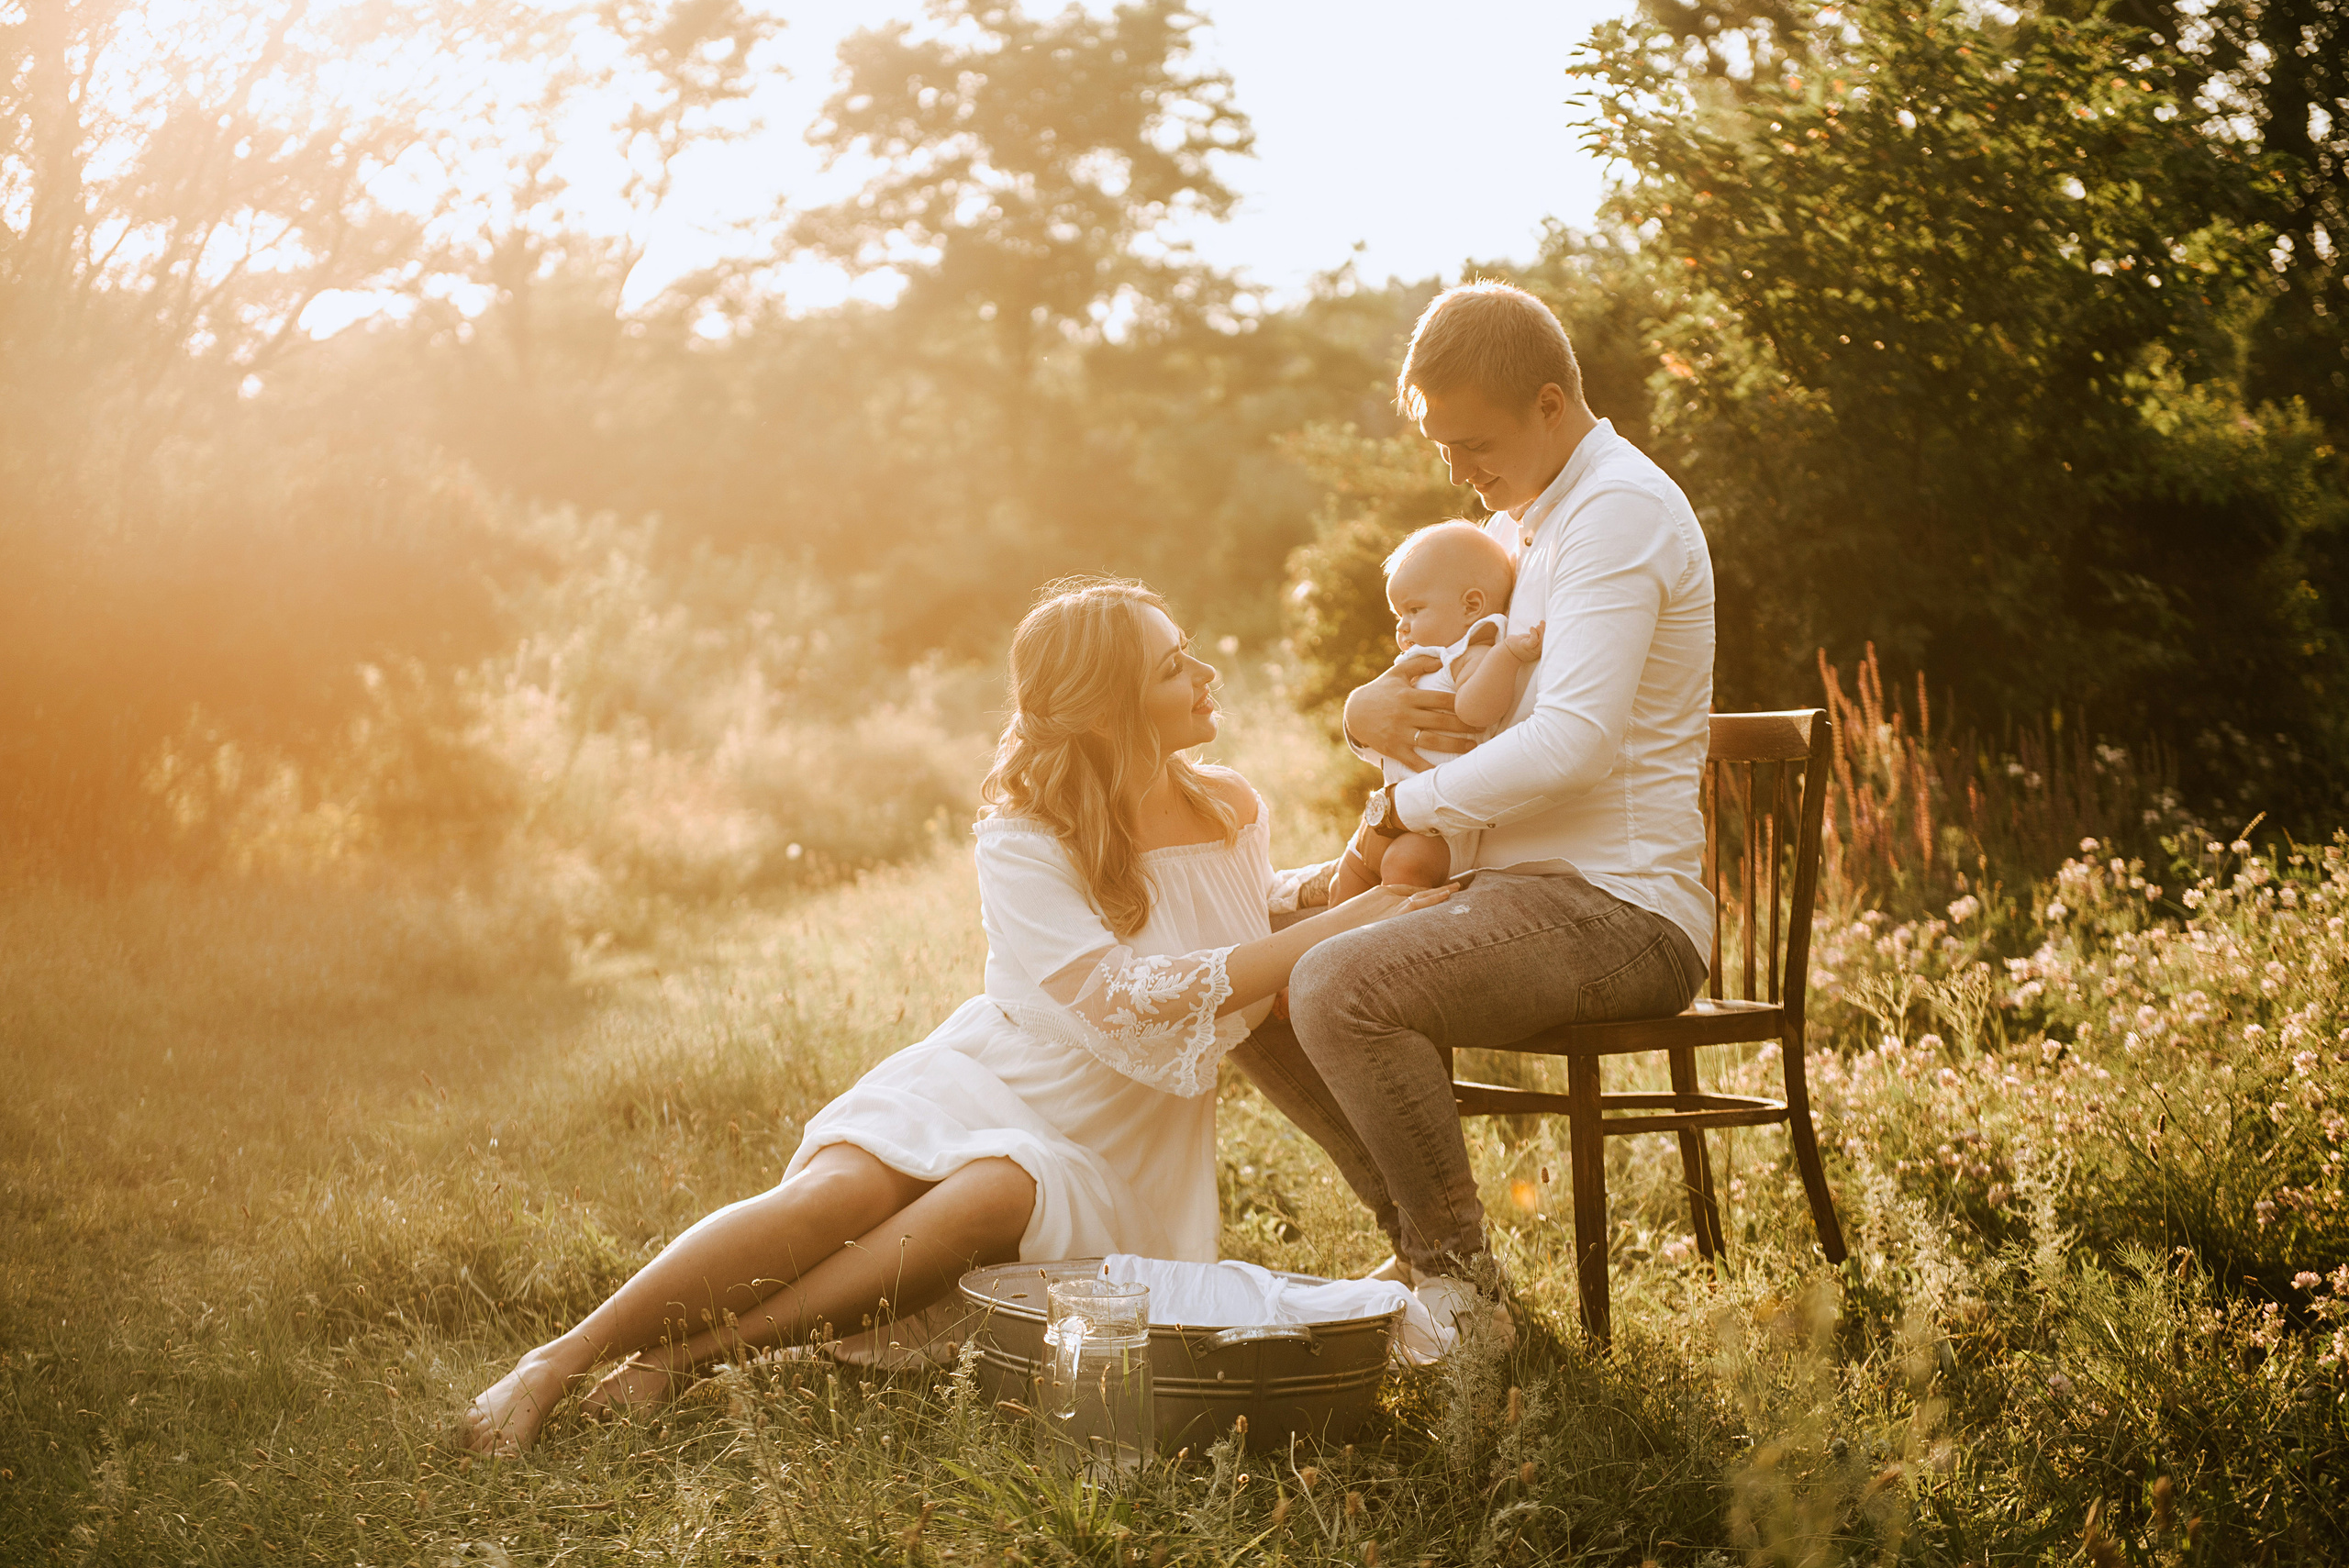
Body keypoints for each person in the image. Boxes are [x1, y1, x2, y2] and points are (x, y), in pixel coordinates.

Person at [459, 578, 1451, 1455]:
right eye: (1170, 666)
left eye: (1187, 651)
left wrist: (1350, 877)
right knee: (832, 1198)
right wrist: (1349, 918)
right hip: (1000, 1069)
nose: (1205, 671)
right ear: (1108, 707)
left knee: (988, 1195)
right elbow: (1118, 993)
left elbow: (1232, 913)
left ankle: (691, 1357)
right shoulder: (1024, 829)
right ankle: (558, 1358)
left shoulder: (1230, 801)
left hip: (1120, 1137)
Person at [1244, 280, 1717, 1330]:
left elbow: (1576, 742)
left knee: (1334, 982)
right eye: (1441, 446)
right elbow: (1452, 694)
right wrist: (1365, 717)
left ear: (1550, 403)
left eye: (1473, 441)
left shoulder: (1615, 514)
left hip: (1619, 912)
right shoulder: (1530, 523)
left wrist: (1399, 802)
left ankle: (1463, 1295)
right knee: (1225, 941)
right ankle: (1426, 1256)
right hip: (1498, 885)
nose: (1456, 471)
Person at [1330, 519, 1545, 902]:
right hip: (1393, 812)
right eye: (1399, 616)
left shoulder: (1473, 654)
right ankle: (1331, 940)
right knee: (1345, 882)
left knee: (1404, 868)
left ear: (1471, 606)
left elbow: (1477, 711)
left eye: (1414, 610)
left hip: (1440, 828)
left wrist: (1508, 655)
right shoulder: (1426, 658)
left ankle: (1384, 944)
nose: (1403, 626)